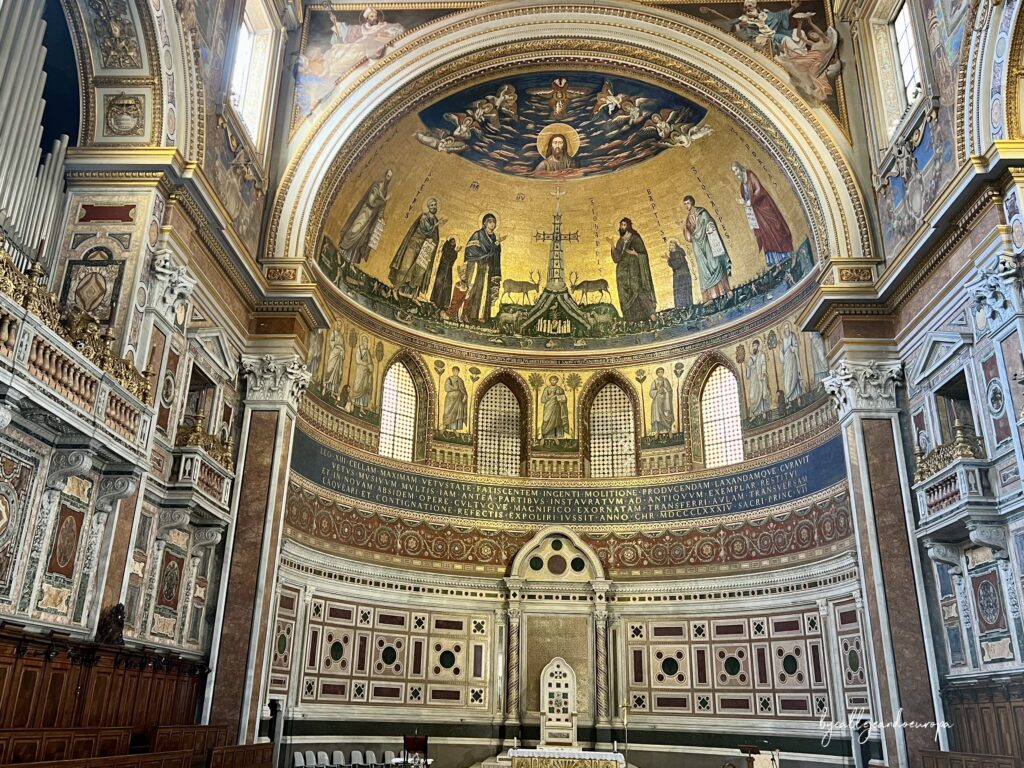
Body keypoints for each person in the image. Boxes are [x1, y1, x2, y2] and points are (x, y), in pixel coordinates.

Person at [732, 162, 794, 267]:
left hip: (765, 206)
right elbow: (747, 199)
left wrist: (750, 200)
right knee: (766, 235)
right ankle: (777, 263)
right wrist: (744, 201)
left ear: (740, 168)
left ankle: (789, 254)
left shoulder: (750, 175)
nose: (736, 173)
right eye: (734, 172)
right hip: (757, 214)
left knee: (776, 228)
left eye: (736, 170)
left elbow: (759, 189)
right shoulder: (742, 185)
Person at [389, 197, 444, 297]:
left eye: (435, 205)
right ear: (428, 207)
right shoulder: (424, 217)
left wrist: (432, 241)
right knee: (406, 266)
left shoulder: (435, 220)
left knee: (418, 270)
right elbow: (426, 229)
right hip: (414, 244)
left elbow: (434, 236)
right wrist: (436, 225)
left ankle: (409, 294)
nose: (434, 207)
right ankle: (395, 289)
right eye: (431, 205)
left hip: (424, 248)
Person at [683, 196, 732, 302]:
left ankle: (725, 290)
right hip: (697, 245)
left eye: (687, 203)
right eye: (685, 204)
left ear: (692, 202)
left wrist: (708, 228)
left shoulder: (702, 212)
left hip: (707, 240)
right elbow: (689, 238)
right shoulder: (688, 219)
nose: (686, 205)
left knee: (715, 263)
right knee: (704, 270)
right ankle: (711, 296)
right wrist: (684, 227)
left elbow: (709, 223)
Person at [608, 218, 657, 323]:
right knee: (625, 294)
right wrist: (612, 245)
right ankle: (631, 320)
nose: (622, 227)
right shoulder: (620, 241)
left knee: (637, 289)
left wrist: (635, 253)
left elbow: (643, 254)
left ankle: (651, 315)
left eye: (624, 225)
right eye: (621, 225)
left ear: (628, 226)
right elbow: (616, 258)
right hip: (623, 273)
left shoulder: (635, 238)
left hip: (634, 270)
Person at [339, 169, 391, 266]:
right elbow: (371, 202)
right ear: (385, 175)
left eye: (390, 178)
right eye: (388, 176)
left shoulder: (385, 191)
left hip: (370, 218)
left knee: (362, 238)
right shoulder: (376, 186)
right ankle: (342, 248)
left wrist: (381, 217)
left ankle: (350, 259)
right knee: (355, 229)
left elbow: (381, 208)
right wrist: (384, 200)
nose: (388, 179)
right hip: (365, 212)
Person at [464, 213, 506, 321]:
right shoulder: (478, 235)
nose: (492, 224)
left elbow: (496, 256)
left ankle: (482, 316)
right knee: (475, 289)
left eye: (494, 222)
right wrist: (493, 247)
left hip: (488, 269)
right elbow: (471, 251)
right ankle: (468, 314)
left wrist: (496, 246)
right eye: (490, 222)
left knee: (486, 291)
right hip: (478, 268)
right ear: (484, 223)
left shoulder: (495, 238)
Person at [430, 238, 460, 310]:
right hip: (442, 269)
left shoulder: (453, 251)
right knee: (439, 283)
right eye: (452, 241)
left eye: (454, 242)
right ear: (450, 242)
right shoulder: (446, 248)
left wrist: (456, 252)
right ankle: (436, 301)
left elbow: (453, 259)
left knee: (447, 285)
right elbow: (448, 258)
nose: (453, 243)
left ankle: (444, 303)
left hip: (448, 270)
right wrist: (456, 252)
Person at [746, 338, 771, 416]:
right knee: (753, 395)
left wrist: (763, 373)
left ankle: (762, 410)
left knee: (761, 392)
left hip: (760, 377)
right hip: (753, 379)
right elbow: (748, 369)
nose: (754, 347)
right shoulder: (751, 357)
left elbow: (763, 364)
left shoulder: (761, 355)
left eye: (755, 345)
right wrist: (749, 367)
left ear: (758, 346)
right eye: (753, 346)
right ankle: (755, 412)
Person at [780, 323, 804, 403]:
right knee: (788, 379)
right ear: (784, 330)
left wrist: (793, 348)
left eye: (788, 328)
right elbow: (781, 352)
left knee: (794, 375)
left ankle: (797, 395)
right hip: (786, 362)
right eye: (785, 329)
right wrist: (782, 357)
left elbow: (796, 346)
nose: (787, 330)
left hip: (793, 359)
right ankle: (790, 398)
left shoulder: (792, 336)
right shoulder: (783, 340)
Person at [666, 239, 693, 310]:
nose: (671, 247)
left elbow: (676, 264)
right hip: (679, 275)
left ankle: (685, 307)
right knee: (679, 291)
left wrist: (668, 260)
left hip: (682, 275)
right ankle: (681, 307)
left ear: (676, 246)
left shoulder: (678, 253)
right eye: (670, 245)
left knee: (682, 291)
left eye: (672, 245)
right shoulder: (674, 254)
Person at [541, 375, 569, 440]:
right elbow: (543, 400)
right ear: (550, 381)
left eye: (555, 380)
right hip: (549, 408)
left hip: (558, 408)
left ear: (557, 381)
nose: (553, 381)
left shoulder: (560, 389)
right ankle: (547, 436)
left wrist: (560, 398)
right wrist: (550, 396)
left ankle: (558, 437)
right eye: (552, 380)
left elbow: (564, 399)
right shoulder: (547, 389)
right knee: (547, 420)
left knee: (558, 421)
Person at [351, 335, 373, 412]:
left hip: (366, 372)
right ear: (362, 342)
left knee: (364, 388)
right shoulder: (359, 349)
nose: (366, 343)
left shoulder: (368, 352)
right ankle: (353, 404)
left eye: (367, 341)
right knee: (357, 386)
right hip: (360, 371)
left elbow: (370, 362)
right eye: (365, 341)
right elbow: (357, 360)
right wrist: (364, 364)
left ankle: (361, 407)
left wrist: (370, 367)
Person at [323, 328, 346, 399]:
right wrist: (338, 347)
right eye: (338, 324)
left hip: (339, 356)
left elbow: (343, 347)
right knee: (330, 370)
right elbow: (331, 342)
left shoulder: (341, 336)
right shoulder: (334, 333)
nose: (339, 326)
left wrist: (342, 350)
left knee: (336, 374)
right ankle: (325, 388)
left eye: (340, 325)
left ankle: (333, 391)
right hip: (334, 354)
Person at [650, 367, 674, 434]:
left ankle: (669, 430)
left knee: (666, 414)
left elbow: (670, 390)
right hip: (657, 401)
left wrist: (664, 390)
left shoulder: (665, 380)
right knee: (657, 415)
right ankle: (658, 431)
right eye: (659, 372)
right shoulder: (654, 382)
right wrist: (657, 390)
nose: (660, 373)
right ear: (657, 373)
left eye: (661, 372)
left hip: (665, 400)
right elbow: (651, 392)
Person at [443, 366, 468, 431]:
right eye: (454, 371)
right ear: (452, 371)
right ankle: (445, 427)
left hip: (458, 398)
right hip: (450, 399)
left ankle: (455, 429)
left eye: (456, 371)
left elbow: (463, 389)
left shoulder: (460, 380)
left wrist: (465, 395)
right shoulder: (449, 379)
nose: (455, 372)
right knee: (448, 411)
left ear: (458, 372)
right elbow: (446, 387)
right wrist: (454, 388)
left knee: (457, 413)